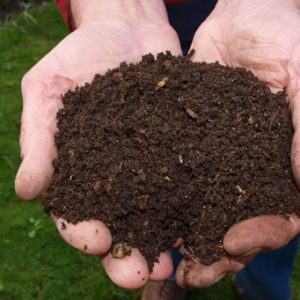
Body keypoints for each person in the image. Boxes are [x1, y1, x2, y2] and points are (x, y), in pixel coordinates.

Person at [15, 0, 300, 299]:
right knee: (173, 213)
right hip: (150, 16)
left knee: (269, 227)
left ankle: (263, 287)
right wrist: (115, 10)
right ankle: (171, 266)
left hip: (246, 19)